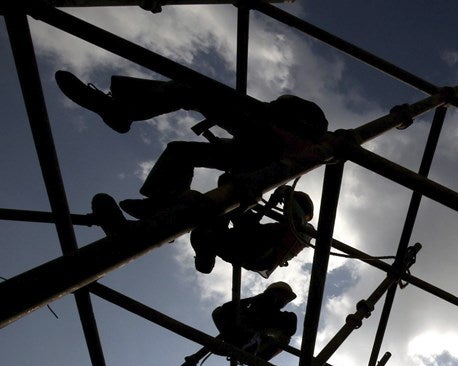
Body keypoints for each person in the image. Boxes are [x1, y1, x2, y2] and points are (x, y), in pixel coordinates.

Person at [54, 70, 329, 216]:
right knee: (180, 152)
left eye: (277, 104)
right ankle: (164, 200)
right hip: (250, 154)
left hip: (261, 152)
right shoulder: (278, 132)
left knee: (193, 92)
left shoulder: (302, 131)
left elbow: (271, 129)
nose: (270, 105)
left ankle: (125, 109)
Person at [190, 184, 314, 276]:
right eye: (286, 206)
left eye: (288, 206)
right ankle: (208, 248)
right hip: (247, 246)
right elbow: (251, 227)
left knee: (203, 233)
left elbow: (252, 231)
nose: (285, 210)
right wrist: (269, 204)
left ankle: (207, 247)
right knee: (231, 199)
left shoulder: (305, 230)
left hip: (253, 253)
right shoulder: (283, 229)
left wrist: (286, 195)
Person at [210, 281, 298, 361]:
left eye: (285, 298)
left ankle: (242, 347)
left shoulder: (288, 317)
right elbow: (226, 308)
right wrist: (254, 300)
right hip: (242, 337)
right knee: (219, 312)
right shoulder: (254, 306)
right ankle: (235, 346)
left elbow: (287, 330)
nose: (283, 300)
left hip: (257, 347)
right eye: (281, 295)